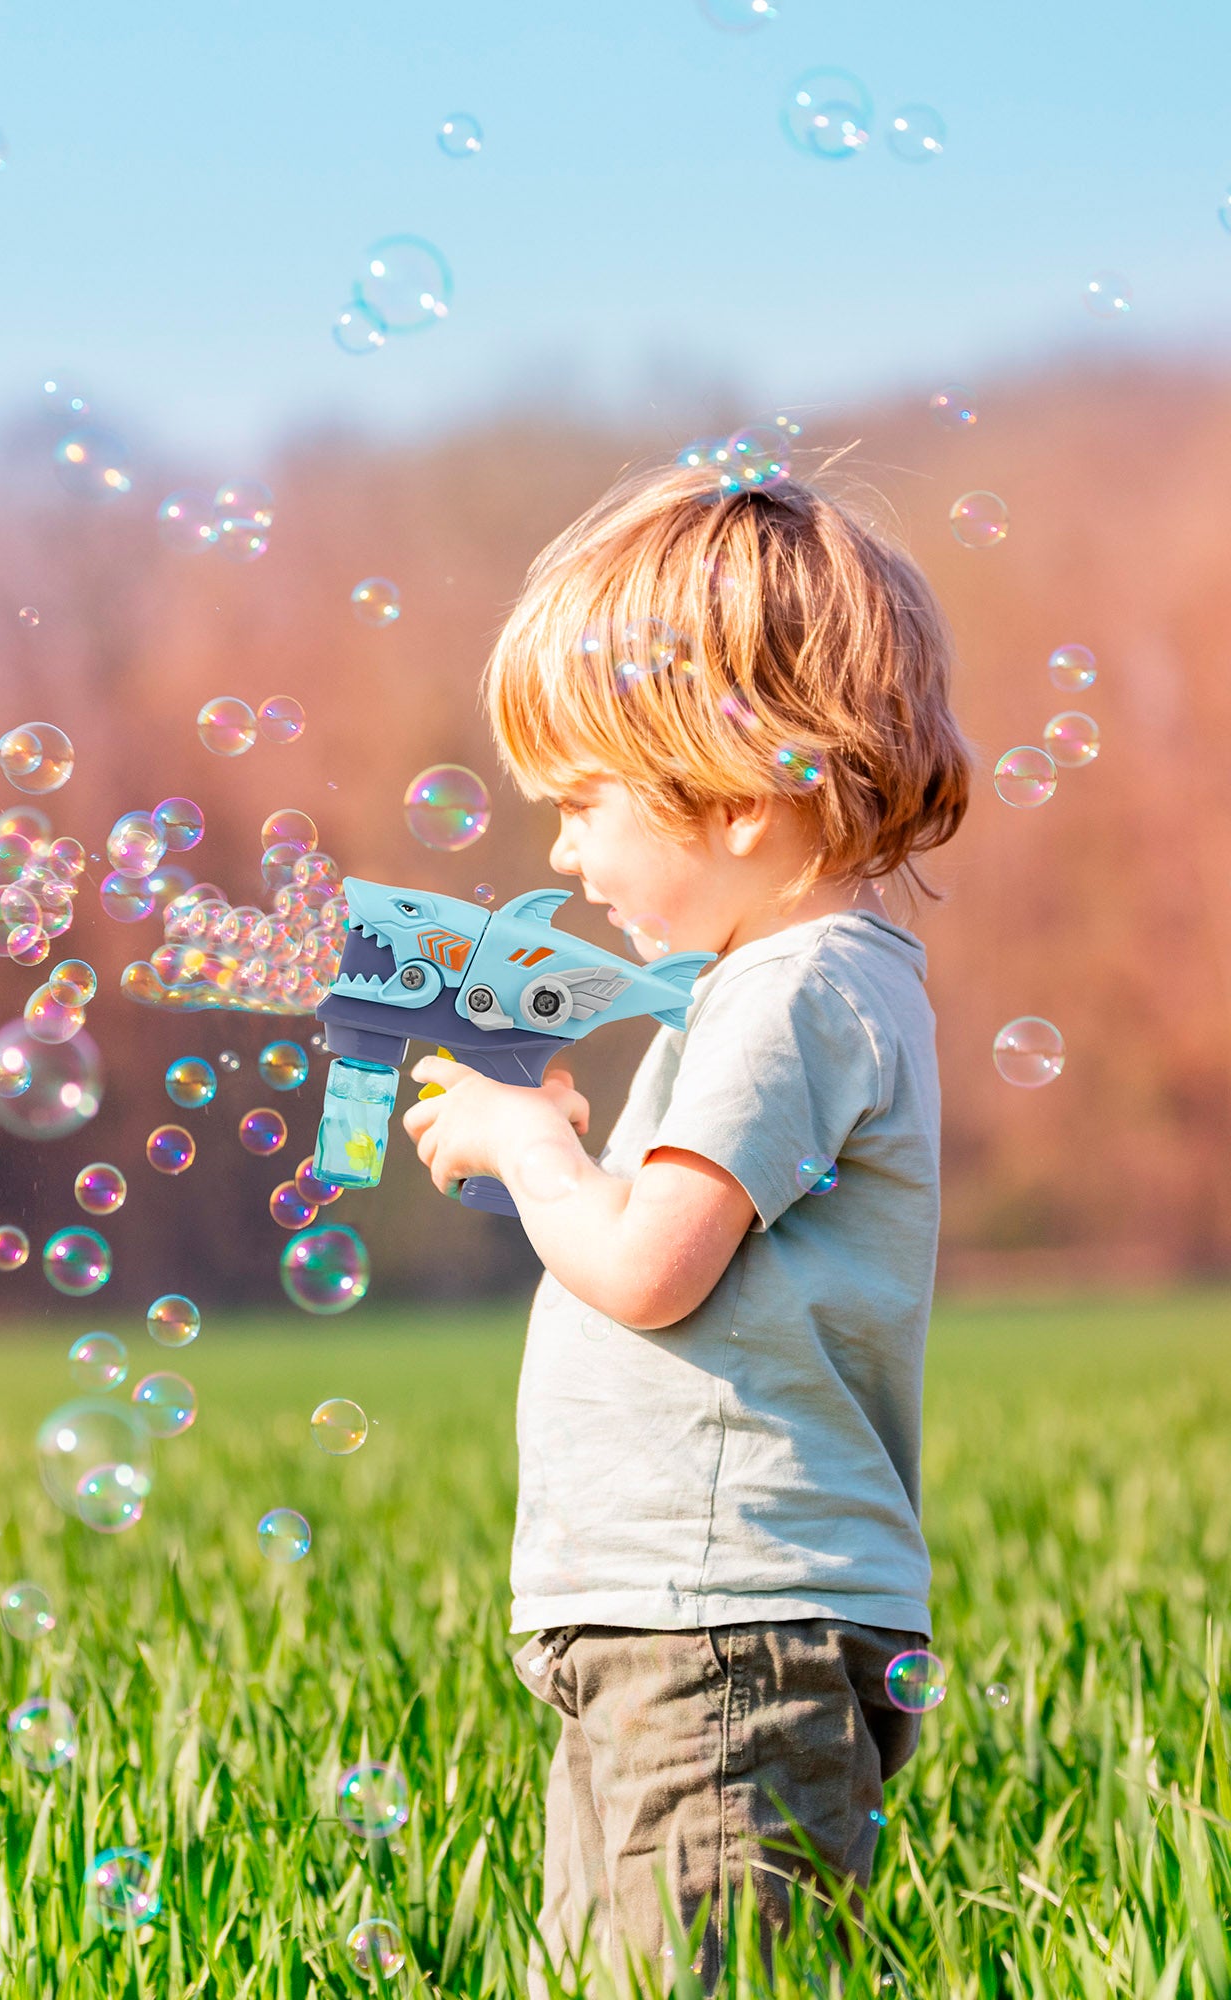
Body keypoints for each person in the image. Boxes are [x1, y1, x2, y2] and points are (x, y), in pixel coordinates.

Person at [400, 458, 970, 1987]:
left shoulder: (788, 995)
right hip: (693, 1619)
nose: (565, 858)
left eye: (583, 802)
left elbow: (649, 1270)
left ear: (728, 779)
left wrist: (531, 1154)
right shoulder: (797, 987)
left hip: (721, 1627)